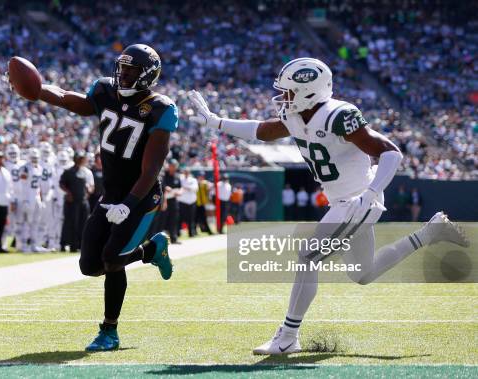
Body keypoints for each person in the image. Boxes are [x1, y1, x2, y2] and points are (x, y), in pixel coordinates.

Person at [188, 57, 468, 355]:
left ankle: (288, 335)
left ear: (310, 91)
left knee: (308, 256)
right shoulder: (297, 116)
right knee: (363, 274)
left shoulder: (338, 115)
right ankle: (429, 233)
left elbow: (391, 153)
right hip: (344, 201)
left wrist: (372, 193)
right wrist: (215, 122)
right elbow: (263, 131)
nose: (283, 98)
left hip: (358, 199)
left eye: (290, 92)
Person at [30, 43, 175, 351]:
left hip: (141, 196)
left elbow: (150, 170)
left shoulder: (161, 108)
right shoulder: (104, 92)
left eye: (132, 70)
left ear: (148, 76)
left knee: (111, 259)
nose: (123, 74)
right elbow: (71, 100)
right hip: (111, 194)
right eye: (122, 68)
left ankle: (109, 331)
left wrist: (128, 204)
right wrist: (37, 89)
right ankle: (151, 251)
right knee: (89, 266)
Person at [59, 151, 94, 252]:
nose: (82, 160)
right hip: (72, 202)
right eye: (80, 158)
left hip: (83, 201)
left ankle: (80, 245)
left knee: (83, 224)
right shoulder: (68, 171)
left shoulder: (86, 172)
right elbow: (61, 184)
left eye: (83, 158)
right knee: (70, 223)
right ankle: (68, 245)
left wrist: (89, 192)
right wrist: (68, 193)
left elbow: (90, 186)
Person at [16, 148, 47, 253]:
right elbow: (23, 185)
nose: (35, 159)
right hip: (27, 197)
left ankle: (34, 244)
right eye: (33, 157)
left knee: (35, 222)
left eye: (36, 157)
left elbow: (40, 186)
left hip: (37, 197)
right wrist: (25, 199)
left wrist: (41, 198)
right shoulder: (24, 168)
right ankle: (24, 244)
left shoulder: (40, 168)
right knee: (26, 221)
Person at [4, 143, 25, 250]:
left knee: (20, 222)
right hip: (9, 196)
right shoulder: (4, 165)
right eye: (11, 153)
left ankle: (19, 244)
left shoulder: (24, 164)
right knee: (7, 222)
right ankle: (3, 245)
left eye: (14, 153)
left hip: (21, 196)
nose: (13, 155)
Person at [161, 159, 181, 243]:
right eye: (171, 166)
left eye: (174, 166)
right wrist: (166, 188)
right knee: (163, 220)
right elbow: (161, 185)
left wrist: (179, 192)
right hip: (164, 200)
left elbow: (180, 187)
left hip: (174, 200)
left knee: (174, 219)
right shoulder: (164, 175)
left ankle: (174, 238)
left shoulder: (177, 176)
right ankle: (161, 240)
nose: (173, 168)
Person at [177, 168, 198, 237]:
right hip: (182, 201)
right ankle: (178, 233)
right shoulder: (180, 179)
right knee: (180, 218)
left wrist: (186, 188)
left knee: (191, 218)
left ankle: (191, 233)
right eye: (185, 172)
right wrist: (187, 188)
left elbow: (195, 188)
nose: (186, 173)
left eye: (187, 172)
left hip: (191, 201)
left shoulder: (193, 180)